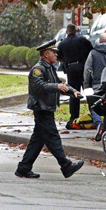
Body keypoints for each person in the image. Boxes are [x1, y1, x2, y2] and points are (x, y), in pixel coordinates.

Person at [15, 39, 84, 179]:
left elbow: (59, 84)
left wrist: (73, 91)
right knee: (53, 137)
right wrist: (57, 87)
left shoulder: (50, 68)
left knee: (38, 140)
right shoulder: (38, 69)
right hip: (41, 108)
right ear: (46, 54)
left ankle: (24, 167)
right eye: (54, 52)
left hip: (47, 107)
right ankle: (66, 166)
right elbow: (39, 86)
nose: (56, 55)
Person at [57, 24, 93, 128]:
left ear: (66, 32)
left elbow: (58, 57)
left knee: (73, 93)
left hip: (71, 69)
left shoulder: (62, 43)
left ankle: (73, 117)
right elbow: (91, 51)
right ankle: (94, 114)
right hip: (83, 67)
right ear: (76, 30)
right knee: (88, 91)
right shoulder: (83, 40)